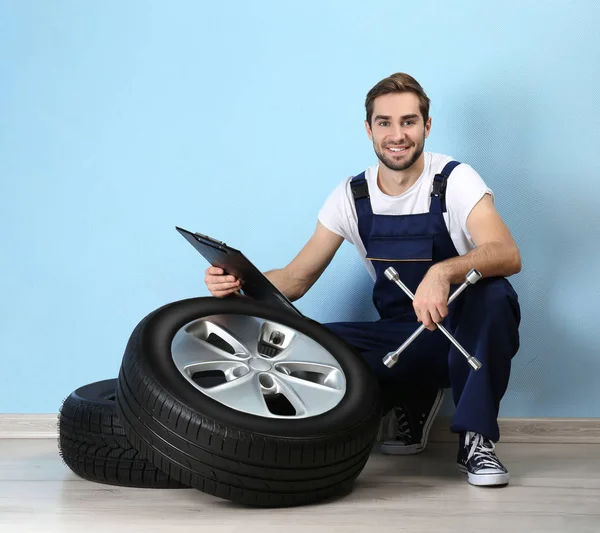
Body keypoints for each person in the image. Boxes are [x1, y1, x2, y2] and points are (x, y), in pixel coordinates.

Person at [204, 72, 521, 487]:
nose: (397, 134)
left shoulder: (454, 180)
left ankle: (476, 440)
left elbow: (506, 252)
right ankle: (412, 396)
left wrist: (442, 271)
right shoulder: (351, 195)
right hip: (400, 340)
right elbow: (297, 278)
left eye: (408, 121)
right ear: (369, 129)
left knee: (495, 295)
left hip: (462, 336)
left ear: (426, 126)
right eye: (385, 122)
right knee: (314, 344)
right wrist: (239, 282)